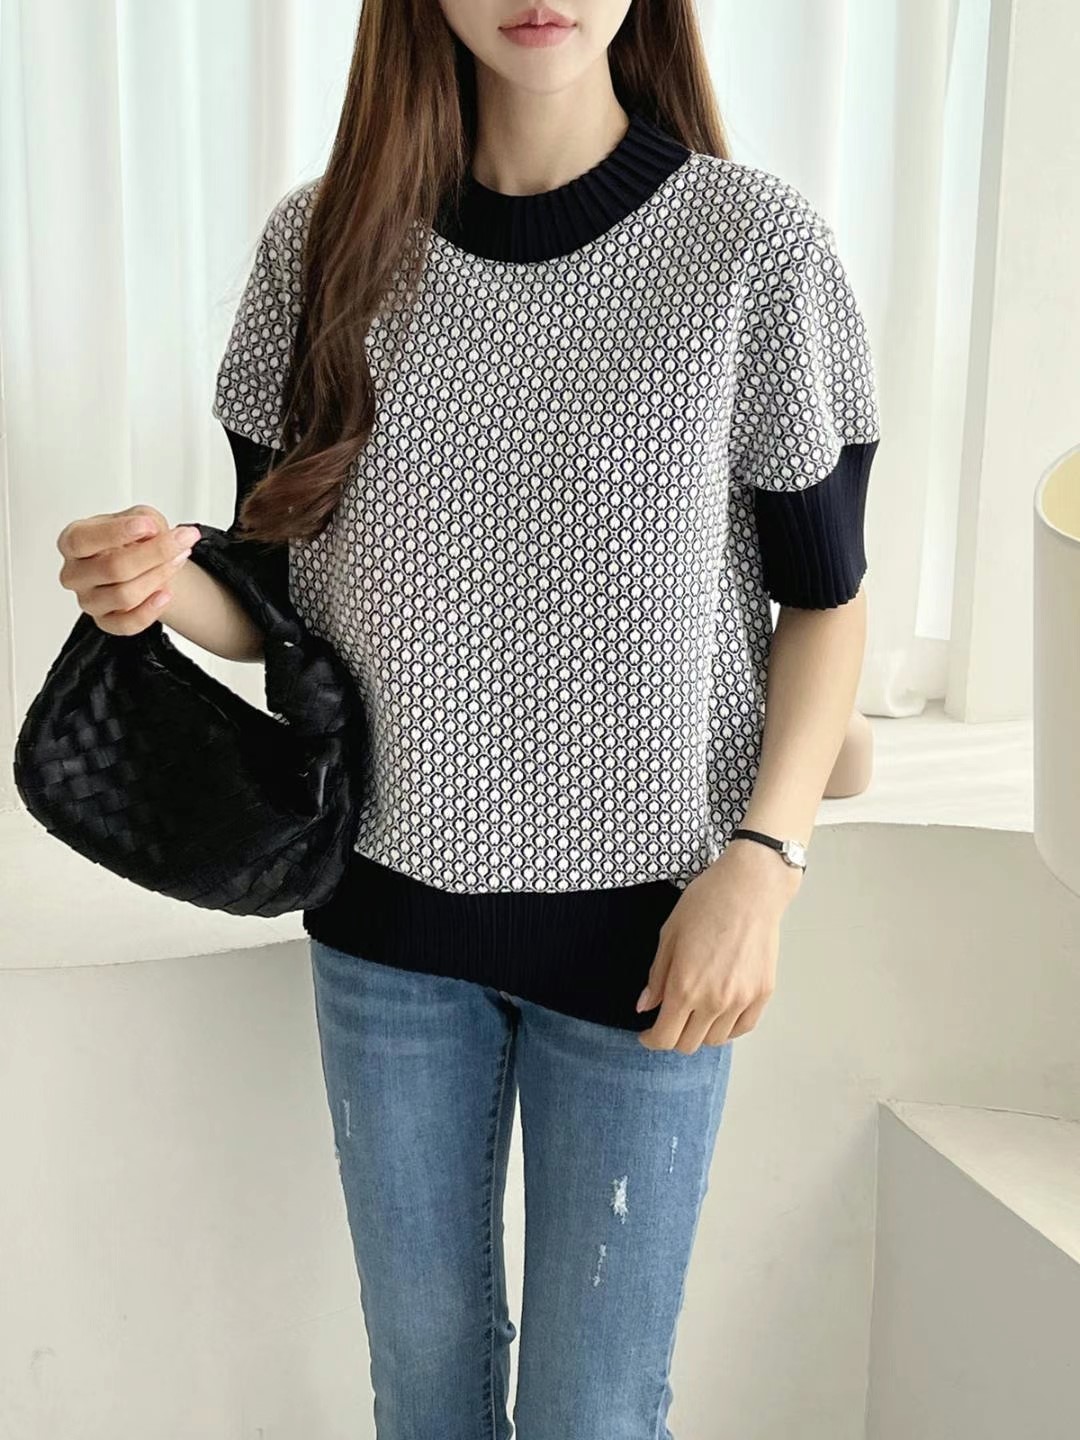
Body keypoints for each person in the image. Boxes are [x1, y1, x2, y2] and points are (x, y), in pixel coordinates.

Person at [56, 2, 881, 1434]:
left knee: (593, 1412)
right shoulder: (319, 248)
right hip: (385, 934)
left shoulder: (754, 246)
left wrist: (765, 863)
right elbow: (283, 600)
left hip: (655, 943)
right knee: (423, 1398)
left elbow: (827, 601)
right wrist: (163, 580)